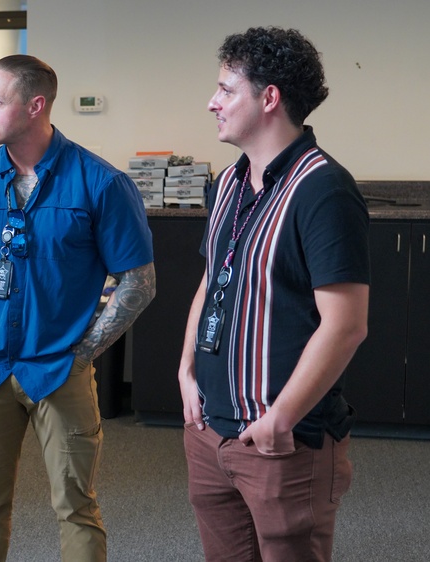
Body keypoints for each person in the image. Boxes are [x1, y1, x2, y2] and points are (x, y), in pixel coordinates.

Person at [0, 54, 156, 562]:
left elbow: (139, 282)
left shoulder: (100, 183)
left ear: (35, 106)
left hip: (61, 372)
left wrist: (84, 354)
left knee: (76, 508)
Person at [178, 27, 369, 561]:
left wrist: (280, 418)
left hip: (282, 442)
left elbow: (347, 324)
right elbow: (211, 279)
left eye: (225, 90)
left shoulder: (323, 189)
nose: (211, 102)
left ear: (269, 98)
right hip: (210, 431)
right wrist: (186, 370)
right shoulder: (229, 183)